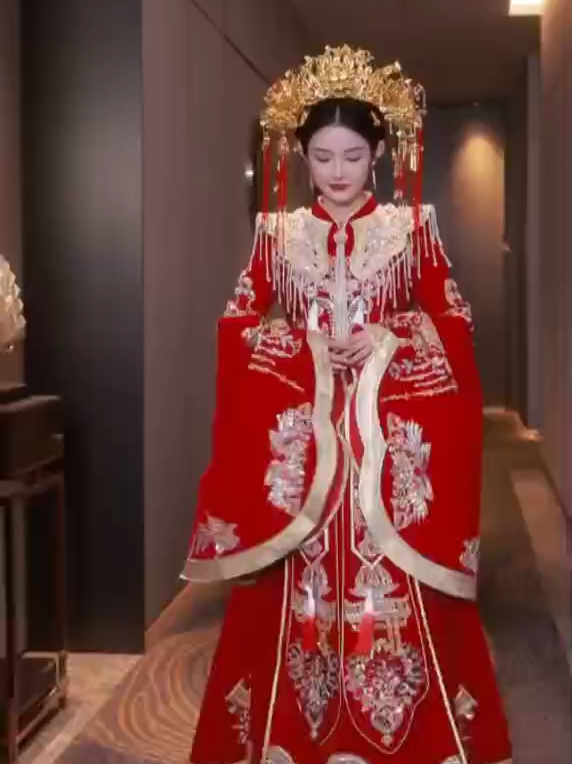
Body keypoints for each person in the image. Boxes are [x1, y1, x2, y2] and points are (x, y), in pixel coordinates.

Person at [182, 46, 512, 764]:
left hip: (385, 445)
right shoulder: (278, 236)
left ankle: (407, 736)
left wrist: (387, 337)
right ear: (303, 157)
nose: (337, 172)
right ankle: (297, 735)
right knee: (295, 590)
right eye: (323, 157)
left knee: (394, 590)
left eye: (353, 157)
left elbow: (454, 323)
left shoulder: (411, 230)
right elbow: (237, 326)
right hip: (305, 449)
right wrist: (303, 347)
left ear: (379, 155)